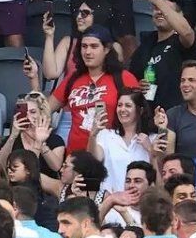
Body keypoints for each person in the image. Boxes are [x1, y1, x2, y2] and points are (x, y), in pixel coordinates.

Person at [48, 25, 141, 153]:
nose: (87, 52)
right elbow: (46, 109)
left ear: (106, 49)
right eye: (84, 46)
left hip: (111, 154)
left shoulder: (124, 78)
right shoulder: (73, 79)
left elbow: (139, 116)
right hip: (75, 157)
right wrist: (35, 79)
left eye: (94, 46)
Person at [129, 0, 196, 110]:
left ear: (180, 15)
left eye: (165, 9)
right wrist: (138, 86)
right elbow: (132, 77)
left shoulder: (182, 40)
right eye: (156, 8)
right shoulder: (147, 43)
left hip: (179, 114)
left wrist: (157, 0)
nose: (160, 12)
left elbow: (187, 33)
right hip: (150, 114)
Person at [165, 60, 196, 159]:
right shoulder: (173, 115)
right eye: (183, 80)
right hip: (184, 169)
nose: (185, 84)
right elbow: (167, 158)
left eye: (191, 80)